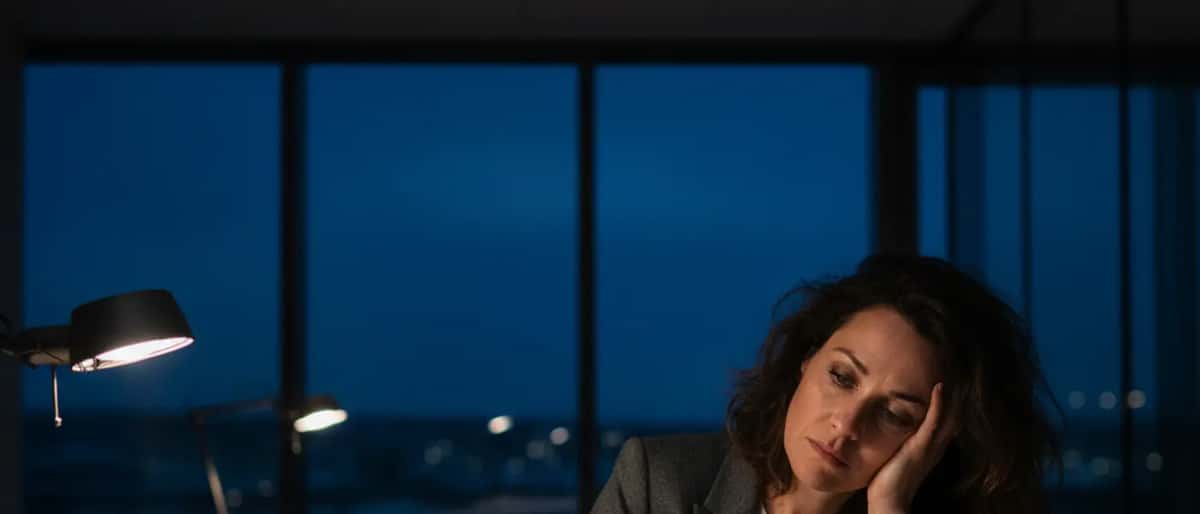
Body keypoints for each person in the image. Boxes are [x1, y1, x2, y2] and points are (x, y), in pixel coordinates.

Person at [591, 254, 1061, 514]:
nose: (847, 425)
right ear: (807, 359)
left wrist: (890, 506)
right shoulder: (658, 482)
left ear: (936, 438)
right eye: (841, 376)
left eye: (894, 414)